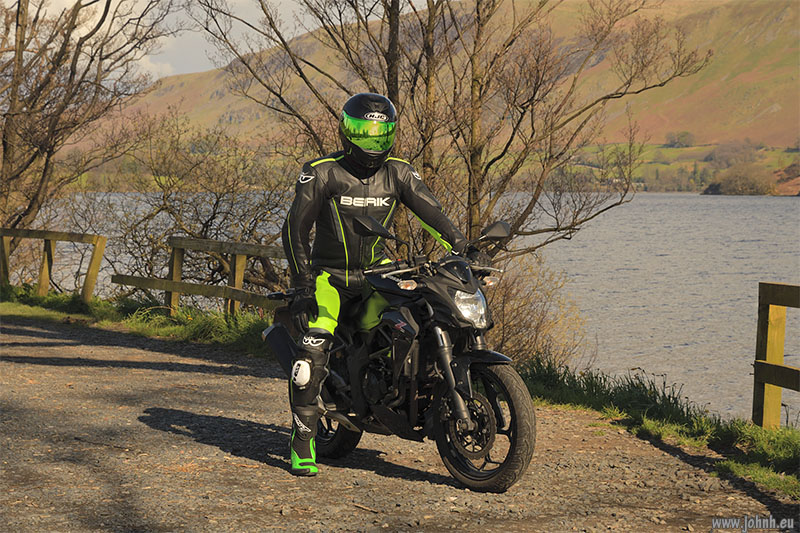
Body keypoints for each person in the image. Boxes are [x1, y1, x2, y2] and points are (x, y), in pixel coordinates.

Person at [280, 92, 490, 476]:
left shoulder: (399, 172)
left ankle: (394, 395)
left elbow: (433, 216)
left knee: (417, 320)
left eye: (380, 134)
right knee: (313, 354)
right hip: (329, 277)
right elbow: (295, 229)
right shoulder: (322, 171)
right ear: (346, 131)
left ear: (391, 134)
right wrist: (302, 281)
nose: (371, 142)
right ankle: (301, 442)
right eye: (363, 133)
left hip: (380, 274)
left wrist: (465, 248)